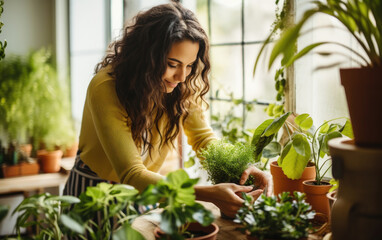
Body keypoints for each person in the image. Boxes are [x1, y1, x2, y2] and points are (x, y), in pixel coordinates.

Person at [63, 1, 270, 219]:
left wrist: (244, 169)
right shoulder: (105, 87)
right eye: (173, 64)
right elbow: (131, 173)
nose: (182, 77)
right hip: (93, 193)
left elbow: (203, 140)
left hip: (148, 191)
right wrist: (207, 194)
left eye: (189, 65)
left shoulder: (183, 85)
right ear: (146, 57)